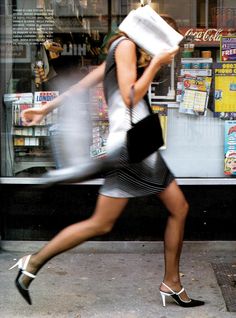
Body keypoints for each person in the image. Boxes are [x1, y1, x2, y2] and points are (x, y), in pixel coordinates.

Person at [9, 24, 205, 309]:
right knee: (102, 223)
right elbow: (130, 97)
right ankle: (33, 261)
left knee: (178, 208)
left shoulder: (121, 49)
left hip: (140, 144)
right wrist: (158, 64)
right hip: (131, 147)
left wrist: (44, 109)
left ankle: (171, 281)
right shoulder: (125, 47)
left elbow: (81, 86)